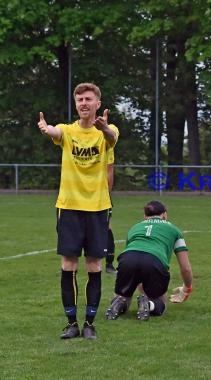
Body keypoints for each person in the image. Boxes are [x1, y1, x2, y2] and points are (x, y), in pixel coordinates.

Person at [38, 82, 119, 340]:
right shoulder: (67, 130)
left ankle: (90, 324)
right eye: (79, 100)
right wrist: (46, 128)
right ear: (76, 104)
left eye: (88, 99)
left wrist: (104, 127)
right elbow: (55, 131)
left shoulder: (107, 130)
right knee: (68, 264)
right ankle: (71, 323)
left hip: (97, 208)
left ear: (98, 103)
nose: (83, 103)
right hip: (69, 207)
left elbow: (112, 138)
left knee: (94, 265)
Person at [105, 200, 193, 321]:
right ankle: (149, 304)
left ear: (145, 216)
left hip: (127, 259)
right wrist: (187, 288)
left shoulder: (134, 228)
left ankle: (119, 303)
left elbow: (136, 259)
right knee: (161, 302)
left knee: (124, 295)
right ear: (165, 215)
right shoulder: (174, 230)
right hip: (154, 261)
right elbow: (185, 267)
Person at [105, 147, 117, 274]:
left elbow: (109, 170)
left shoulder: (107, 144)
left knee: (107, 227)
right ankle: (69, 265)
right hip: (79, 197)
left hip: (101, 196)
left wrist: (107, 193)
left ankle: (109, 263)